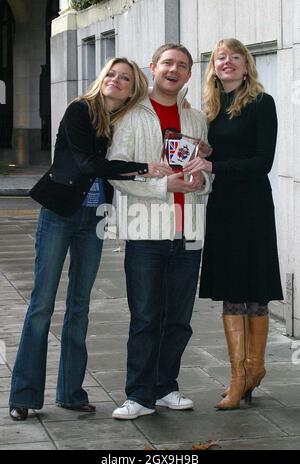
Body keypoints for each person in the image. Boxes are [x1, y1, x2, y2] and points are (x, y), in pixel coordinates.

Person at [8, 57, 172, 421]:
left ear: (133, 88)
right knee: (42, 304)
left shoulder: (124, 121)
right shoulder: (80, 111)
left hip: (95, 218)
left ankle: (70, 392)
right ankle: (24, 394)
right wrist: (142, 168)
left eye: (125, 78)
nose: (116, 80)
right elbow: (87, 165)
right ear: (103, 79)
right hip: (60, 212)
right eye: (111, 74)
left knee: (79, 306)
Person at [107, 44, 213, 420]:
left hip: (190, 231)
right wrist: (163, 187)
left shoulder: (196, 118)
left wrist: (201, 179)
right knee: (146, 316)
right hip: (146, 230)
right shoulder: (130, 116)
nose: (175, 69)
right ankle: (138, 395)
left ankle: (166, 387)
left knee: (179, 319)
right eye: (168, 63)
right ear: (153, 67)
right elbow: (118, 171)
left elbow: (205, 175)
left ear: (188, 74)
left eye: (182, 65)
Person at [184, 38, 283, 410]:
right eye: (220, 57)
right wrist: (207, 154)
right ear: (214, 67)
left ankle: (254, 370)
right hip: (223, 203)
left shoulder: (262, 102)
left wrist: (214, 164)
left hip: (253, 203)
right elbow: (217, 155)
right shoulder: (211, 108)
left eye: (234, 57)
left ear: (246, 65)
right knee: (231, 288)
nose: (226, 62)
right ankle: (238, 377)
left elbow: (263, 161)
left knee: (253, 287)